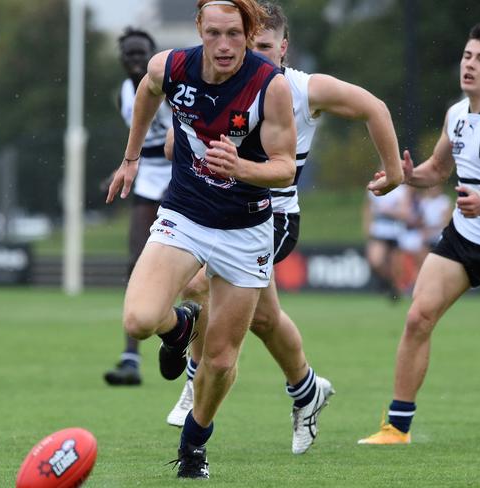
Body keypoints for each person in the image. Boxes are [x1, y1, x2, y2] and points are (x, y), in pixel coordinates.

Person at [165, 2, 404, 457]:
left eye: (264, 47)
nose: (251, 54)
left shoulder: (301, 89)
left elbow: (374, 106)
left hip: (272, 217)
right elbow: (178, 138)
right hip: (219, 213)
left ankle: (195, 382)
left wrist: (392, 171)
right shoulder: (220, 84)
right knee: (265, 319)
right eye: (248, 44)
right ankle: (307, 391)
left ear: (284, 47)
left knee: (200, 283)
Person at [106, 0, 298, 478]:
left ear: (247, 31)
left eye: (234, 33)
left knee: (220, 358)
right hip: (185, 216)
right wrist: (131, 158)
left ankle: (194, 442)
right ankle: (178, 328)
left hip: (246, 231)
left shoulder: (268, 86)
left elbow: (284, 167)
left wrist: (242, 167)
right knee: (138, 319)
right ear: (199, 30)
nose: (225, 45)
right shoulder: (170, 66)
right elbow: (148, 91)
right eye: (214, 33)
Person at [358, 20, 480, 445]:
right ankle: (397, 428)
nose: (470, 65)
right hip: (462, 239)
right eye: (468, 56)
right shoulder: (456, 115)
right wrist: (404, 175)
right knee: (418, 317)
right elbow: (438, 170)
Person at [103, 27, 172, 387]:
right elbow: (138, 140)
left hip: (181, 174)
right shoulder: (124, 94)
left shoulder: (172, 85)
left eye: (140, 53)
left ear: (152, 52)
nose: (134, 59)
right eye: (128, 54)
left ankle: (188, 342)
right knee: (135, 262)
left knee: (190, 272)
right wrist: (123, 166)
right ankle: (130, 356)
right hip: (147, 177)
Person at [362, 184, 413, 299]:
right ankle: (392, 284)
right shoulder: (373, 187)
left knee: (396, 267)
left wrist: (389, 211)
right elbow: (367, 209)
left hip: (396, 232)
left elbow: (405, 213)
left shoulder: (402, 189)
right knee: (375, 261)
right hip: (378, 231)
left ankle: (396, 289)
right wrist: (367, 227)